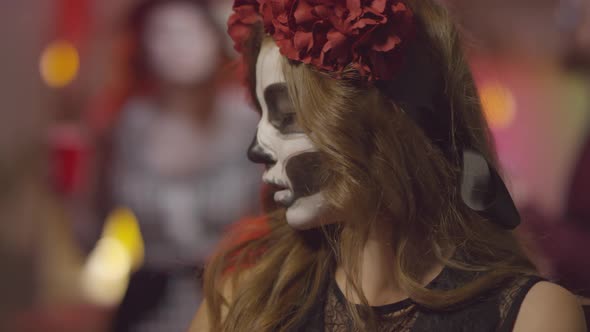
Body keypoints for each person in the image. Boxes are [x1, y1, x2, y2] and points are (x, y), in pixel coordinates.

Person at [191, 0, 587, 331]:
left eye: (288, 116)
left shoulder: (531, 317)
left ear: (388, 123)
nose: (257, 147)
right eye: (262, 112)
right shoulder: (244, 302)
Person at [101, 0, 261, 331]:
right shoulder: (130, 125)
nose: (177, 45)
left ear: (215, 37)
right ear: (144, 46)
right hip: (149, 306)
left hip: (235, 299)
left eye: (188, 30)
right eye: (162, 33)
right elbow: (88, 236)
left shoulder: (249, 121)